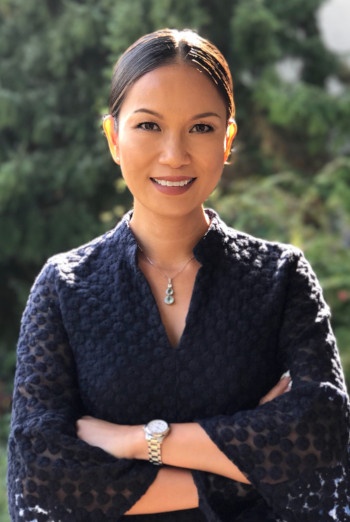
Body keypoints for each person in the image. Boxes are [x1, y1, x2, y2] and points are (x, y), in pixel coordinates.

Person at [7, 28, 350, 522]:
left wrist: (133, 441)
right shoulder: (65, 286)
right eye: (148, 126)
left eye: (202, 128)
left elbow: (319, 437)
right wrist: (238, 473)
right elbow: (42, 476)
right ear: (113, 137)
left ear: (228, 138)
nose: (174, 154)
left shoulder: (282, 278)